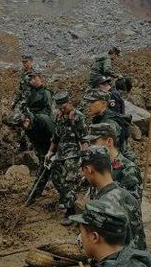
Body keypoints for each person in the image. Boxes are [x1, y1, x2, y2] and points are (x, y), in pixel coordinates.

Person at [80, 146, 146, 250]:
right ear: (110, 167)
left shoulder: (101, 206)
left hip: (115, 264)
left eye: (83, 170)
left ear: (89, 169)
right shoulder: (128, 195)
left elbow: (100, 249)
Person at [46, 91, 88, 225]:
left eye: (64, 107)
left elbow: (84, 139)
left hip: (74, 154)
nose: (62, 109)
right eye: (59, 107)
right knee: (56, 177)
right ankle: (65, 199)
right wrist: (50, 152)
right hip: (61, 154)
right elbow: (55, 137)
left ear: (69, 103)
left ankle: (70, 211)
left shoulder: (77, 117)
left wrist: (85, 158)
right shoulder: (59, 116)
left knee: (69, 181)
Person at [84, 123, 143, 202]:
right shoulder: (97, 163)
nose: (90, 146)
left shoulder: (129, 169)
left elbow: (132, 206)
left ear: (109, 141)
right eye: (89, 143)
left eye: (94, 142)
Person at [84, 89, 138, 163]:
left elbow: (110, 149)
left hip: (120, 165)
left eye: (92, 102)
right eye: (88, 102)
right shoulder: (100, 118)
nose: (88, 105)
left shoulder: (109, 123)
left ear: (104, 103)